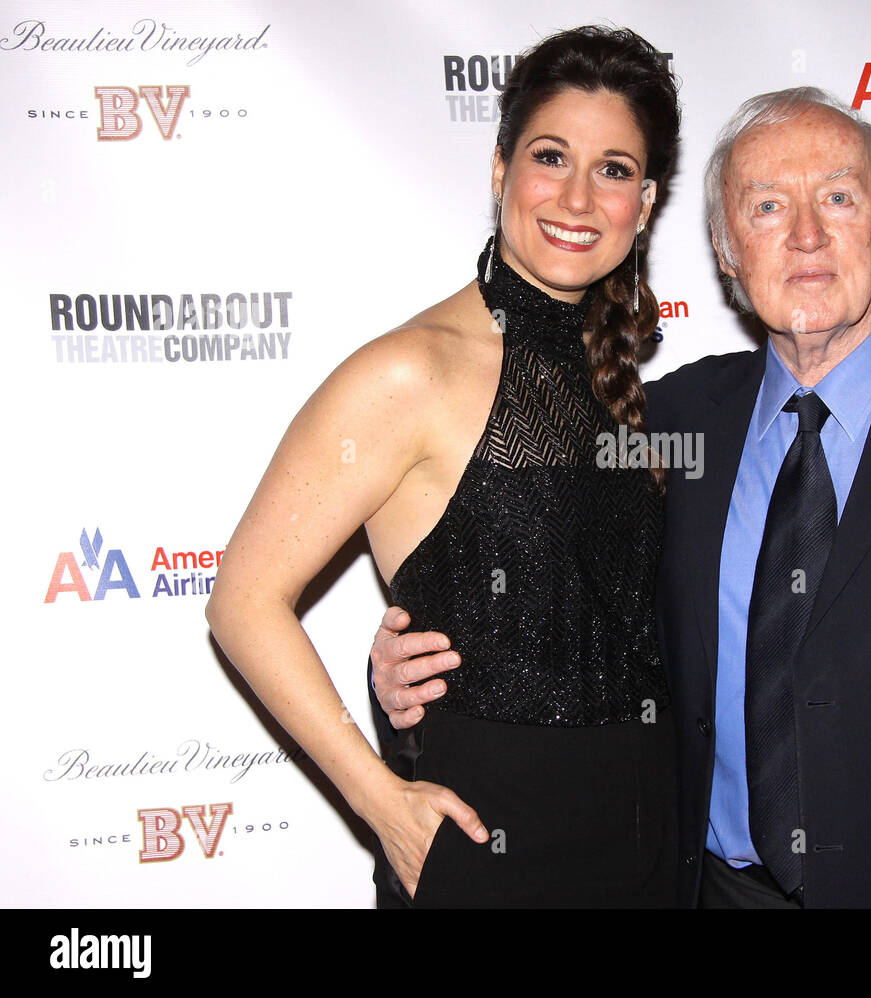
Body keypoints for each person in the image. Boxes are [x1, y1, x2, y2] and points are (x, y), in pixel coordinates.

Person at [371, 87, 871, 907]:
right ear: (726, 249)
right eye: (767, 207)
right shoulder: (662, 425)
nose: (807, 234)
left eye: (839, 197)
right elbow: (566, 635)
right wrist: (407, 685)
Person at [207, 25, 681, 908]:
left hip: (650, 840)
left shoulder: (624, 383)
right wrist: (379, 800)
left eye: (614, 169)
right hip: (487, 847)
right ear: (500, 169)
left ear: (645, 204)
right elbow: (242, 598)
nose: (579, 196)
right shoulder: (408, 371)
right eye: (552, 156)